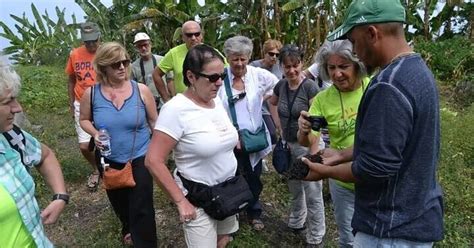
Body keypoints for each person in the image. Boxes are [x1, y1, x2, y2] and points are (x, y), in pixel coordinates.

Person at [299, 0, 444, 246]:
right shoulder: (417, 71)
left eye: (354, 43)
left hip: (389, 228)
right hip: (414, 217)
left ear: (372, 33)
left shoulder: (387, 85)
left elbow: (376, 167)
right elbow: (393, 146)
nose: (356, 52)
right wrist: (341, 155)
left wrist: (325, 171)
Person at [145, 44, 237, 248]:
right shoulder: (175, 110)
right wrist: (180, 201)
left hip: (227, 191)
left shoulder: (217, 101)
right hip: (199, 196)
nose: (219, 82)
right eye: (212, 77)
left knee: (223, 239)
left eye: (222, 75)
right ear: (191, 76)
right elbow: (153, 160)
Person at [79, 42, 158, 247]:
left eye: (125, 62)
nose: (122, 67)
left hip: (140, 154)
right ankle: (127, 226)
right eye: (116, 64)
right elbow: (84, 119)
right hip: (108, 157)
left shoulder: (140, 90)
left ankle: (145, 242)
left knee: (142, 204)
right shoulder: (92, 94)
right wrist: (95, 133)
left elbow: (154, 122)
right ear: (103, 67)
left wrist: (159, 151)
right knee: (119, 200)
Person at [297, 40, 369, 248]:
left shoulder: (374, 87)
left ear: (357, 65)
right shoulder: (322, 99)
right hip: (341, 179)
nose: (337, 74)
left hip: (373, 178)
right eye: (332, 67)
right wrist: (303, 130)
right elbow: (308, 140)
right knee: (348, 238)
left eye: (344, 66)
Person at [0, 61, 68, 247]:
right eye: (7, 102)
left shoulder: (12, 137)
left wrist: (60, 196)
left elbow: (45, 156)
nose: (17, 108)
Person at [217, 35, 278, 230]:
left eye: (243, 58)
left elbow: (278, 86)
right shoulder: (220, 77)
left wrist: (265, 98)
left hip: (253, 138)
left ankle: (254, 211)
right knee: (231, 176)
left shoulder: (257, 75)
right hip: (229, 139)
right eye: (235, 58)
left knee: (254, 175)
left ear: (249, 57)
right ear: (227, 58)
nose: (239, 63)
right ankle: (232, 214)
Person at [268, 45, 325, 247]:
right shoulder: (281, 86)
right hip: (288, 144)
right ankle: (296, 221)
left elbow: (318, 119)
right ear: (281, 66)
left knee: (312, 192)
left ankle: (316, 235)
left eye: (296, 65)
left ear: (302, 63)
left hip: (309, 144)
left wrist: (314, 153)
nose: (292, 70)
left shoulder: (309, 87)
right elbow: (272, 103)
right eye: (287, 66)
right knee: (294, 188)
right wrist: (278, 125)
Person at [65, 22, 101, 191]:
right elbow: (71, 79)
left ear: (99, 37)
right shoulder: (75, 54)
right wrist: (72, 104)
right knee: (84, 146)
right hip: (81, 102)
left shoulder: (106, 53)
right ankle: (96, 169)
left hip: (103, 102)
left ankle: (113, 167)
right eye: (87, 41)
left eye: (93, 40)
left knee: (108, 138)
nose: (91, 45)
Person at [152, 20, 204, 102]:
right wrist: (166, 99)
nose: (193, 38)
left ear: (201, 35)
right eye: (189, 35)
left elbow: (226, 71)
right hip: (183, 105)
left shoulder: (211, 52)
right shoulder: (174, 53)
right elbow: (156, 74)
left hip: (207, 104)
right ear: (183, 37)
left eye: (197, 34)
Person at [250, 39, 283, 145]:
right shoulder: (253, 67)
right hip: (260, 107)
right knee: (272, 133)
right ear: (265, 53)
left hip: (276, 106)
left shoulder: (279, 68)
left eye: (277, 55)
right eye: (271, 54)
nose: (274, 57)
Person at [131, 32, 174, 112]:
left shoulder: (162, 60)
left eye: (145, 45)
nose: (143, 48)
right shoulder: (133, 67)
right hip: (146, 105)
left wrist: (173, 99)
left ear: (150, 44)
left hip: (164, 102)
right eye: (140, 46)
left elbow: (170, 80)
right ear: (136, 48)